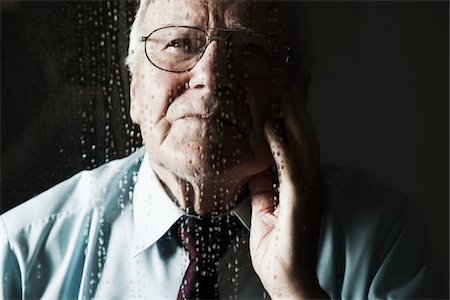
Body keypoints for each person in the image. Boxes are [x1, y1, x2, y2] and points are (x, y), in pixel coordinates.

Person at [0, 0, 437, 299]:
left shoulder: (383, 238)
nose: (210, 77)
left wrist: (296, 287)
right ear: (134, 91)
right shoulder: (21, 252)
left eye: (250, 51)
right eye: (178, 44)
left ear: (296, 95)